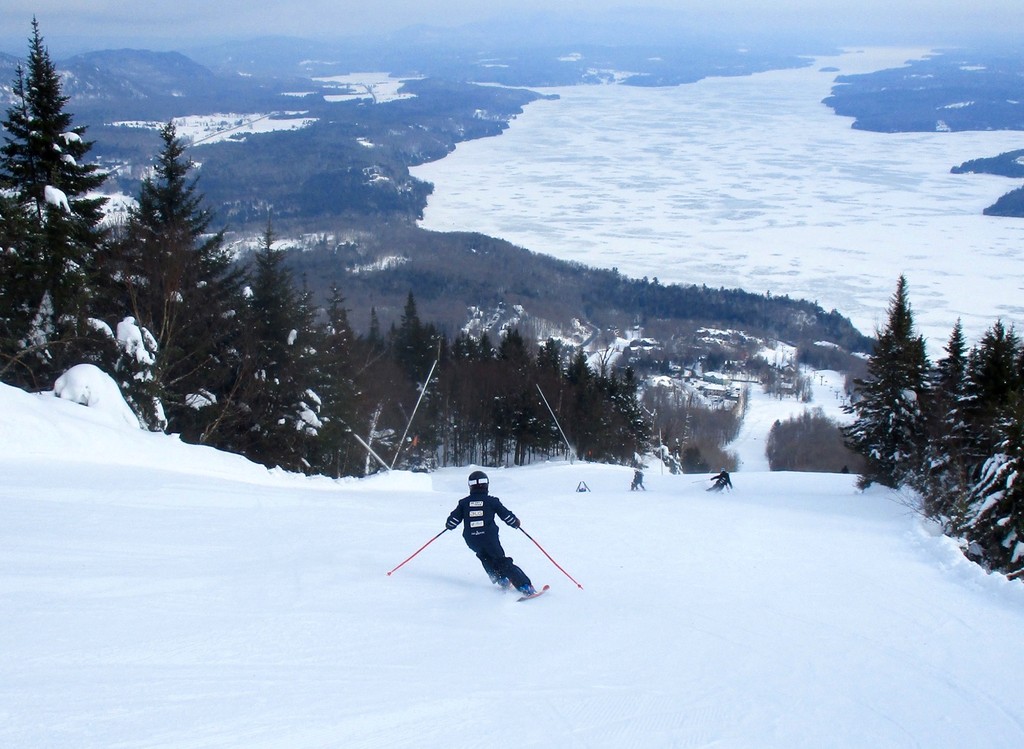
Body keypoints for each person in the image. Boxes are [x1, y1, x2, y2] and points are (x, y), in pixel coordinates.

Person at [446, 470, 536, 596]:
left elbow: (453, 520)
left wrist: (450, 524)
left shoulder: (464, 503)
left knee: (485, 557)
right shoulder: (492, 501)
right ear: (486, 484)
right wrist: (515, 522)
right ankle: (525, 586)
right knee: (501, 560)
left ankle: (500, 579)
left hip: (471, 539)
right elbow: (506, 515)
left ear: (470, 486)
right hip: (488, 537)